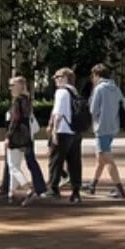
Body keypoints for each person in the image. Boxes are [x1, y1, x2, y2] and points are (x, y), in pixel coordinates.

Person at [87, 63, 125, 199]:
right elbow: (124, 106)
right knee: (101, 158)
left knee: (107, 158)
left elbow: (93, 109)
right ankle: (93, 184)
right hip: (112, 127)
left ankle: (119, 188)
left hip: (101, 127)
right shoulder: (115, 88)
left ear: (97, 75)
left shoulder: (99, 89)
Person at [47, 67, 84, 203]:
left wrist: (54, 130)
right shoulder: (74, 92)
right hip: (75, 131)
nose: (56, 80)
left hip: (63, 130)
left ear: (65, 78)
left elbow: (58, 113)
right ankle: (76, 190)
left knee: (56, 160)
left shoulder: (61, 92)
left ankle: (53, 188)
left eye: (58, 77)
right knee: (75, 162)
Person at [4, 76, 38, 206]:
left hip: (16, 136)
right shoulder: (27, 100)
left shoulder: (17, 101)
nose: (10, 88)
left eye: (13, 85)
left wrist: (8, 136)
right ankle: (11, 193)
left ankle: (28, 188)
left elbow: (15, 120)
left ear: (20, 86)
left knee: (13, 166)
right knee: (15, 164)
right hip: (25, 136)